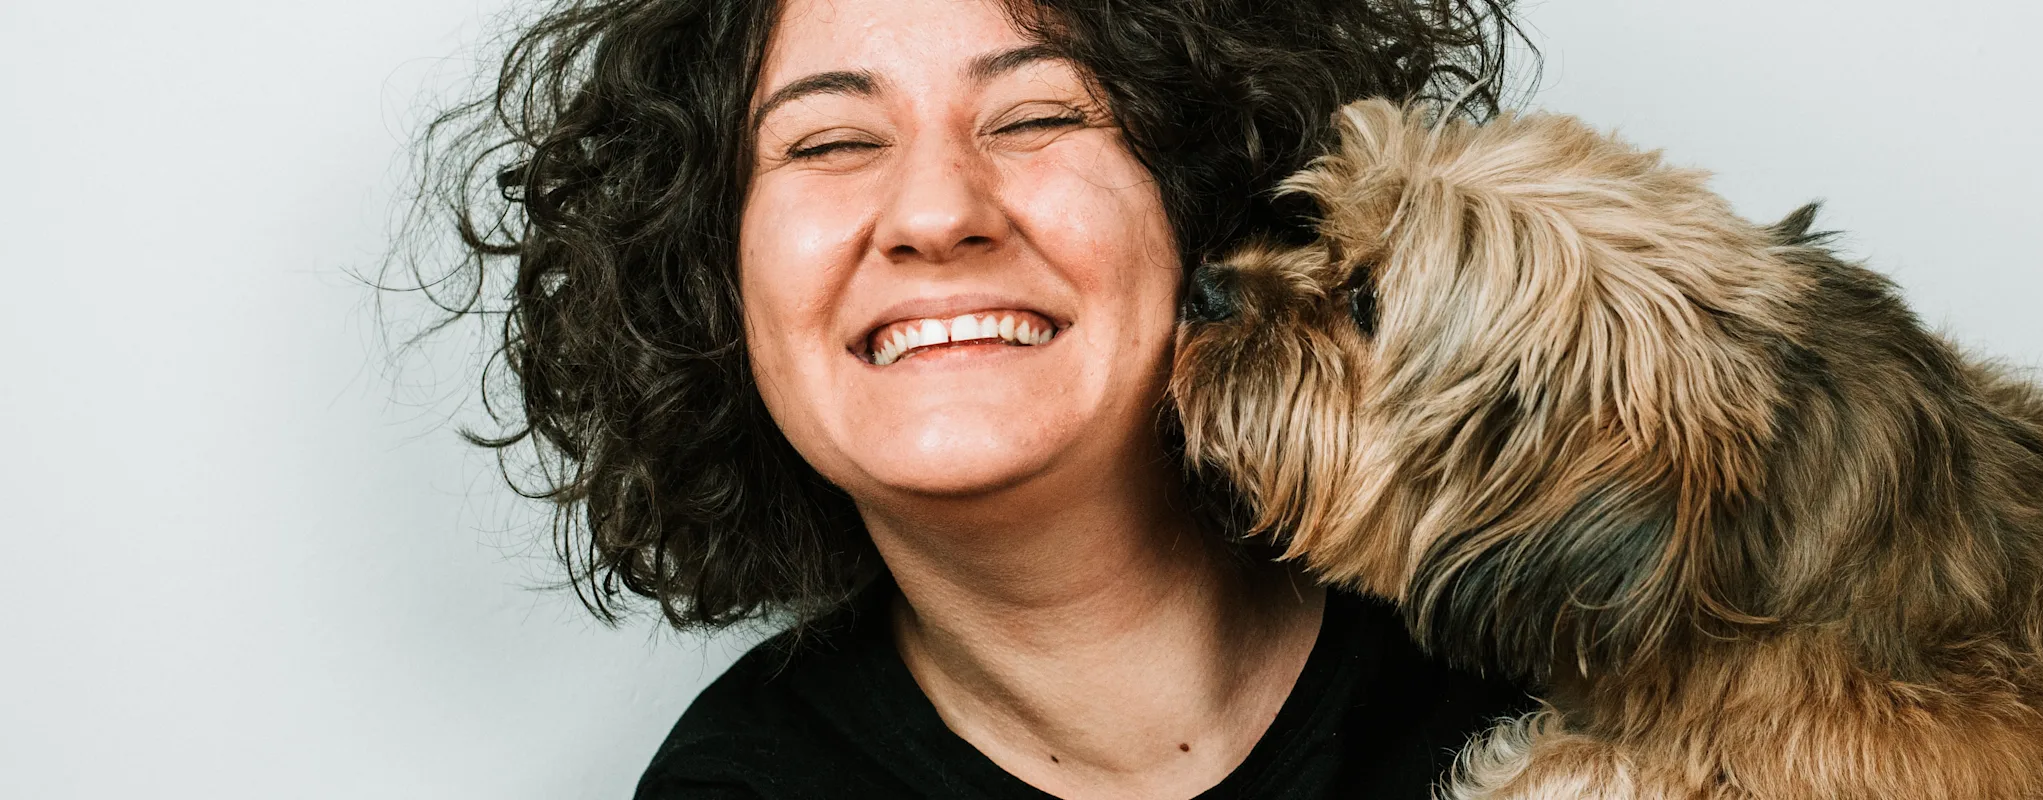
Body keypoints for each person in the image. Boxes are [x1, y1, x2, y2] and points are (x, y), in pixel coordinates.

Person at [410, 0, 1533, 797]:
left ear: (1207, 188)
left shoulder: (1577, 624)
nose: (936, 212)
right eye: (833, 140)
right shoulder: (740, 785)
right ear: (711, 282)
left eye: (1035, 116)